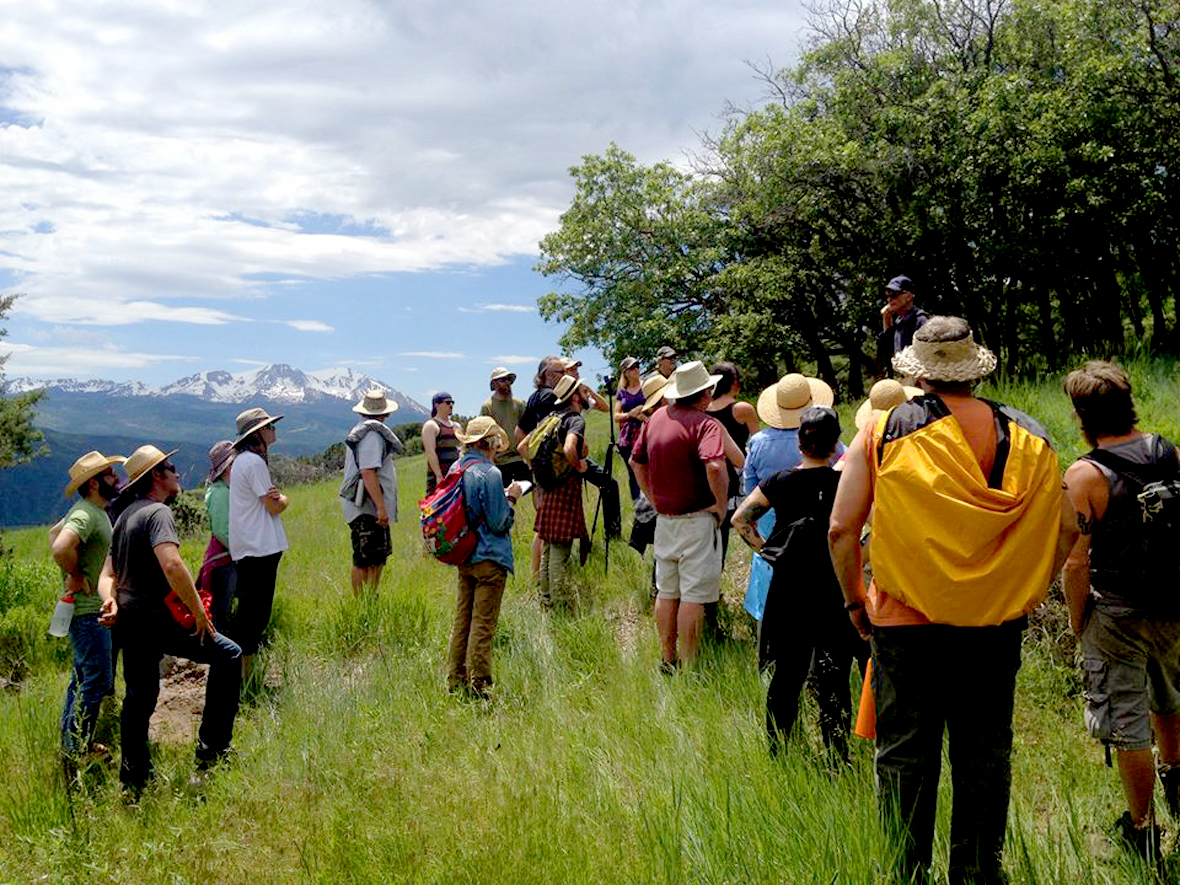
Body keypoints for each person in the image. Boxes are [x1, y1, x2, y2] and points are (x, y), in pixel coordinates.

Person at [828, 316, 1076, 885]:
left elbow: (842, 530)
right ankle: (977, 872)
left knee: (905, 756)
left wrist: (852, 603)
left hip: (905, 622)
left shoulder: (883, 431)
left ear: (920, 373)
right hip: (995, 623)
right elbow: (1067, 527)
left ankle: (905, 872)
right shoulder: (1032, 436)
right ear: (973, 369)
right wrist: (1028, 588)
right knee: (984, 755)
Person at [1061, 360, 1180, 861]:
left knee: (1127, 722)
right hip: (1173, 602)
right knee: (1169, 696)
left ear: (1081, 414)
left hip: (1117, 611)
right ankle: (1176, 781)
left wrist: (1075, 619)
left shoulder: (1085, 474)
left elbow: (1074, 562)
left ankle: (1141, 829)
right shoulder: (1166, 451)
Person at [96, 445, 243, 795]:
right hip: (159, 617)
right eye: (171, 467)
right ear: (157, 477)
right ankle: (212, 751)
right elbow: (173, 565)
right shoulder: (157, 512)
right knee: (229, 654)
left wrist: (109, 601)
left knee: (140, 696)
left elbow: (107, 574)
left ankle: (134, 779)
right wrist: (200, 613)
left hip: (130, 619)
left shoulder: (125, 515)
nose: (177, 473)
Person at [733, 407, 858, 759]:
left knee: (788, 673)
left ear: (801, 443)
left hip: (788, 588)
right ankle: (837, 753)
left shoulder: (779, 482)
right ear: (835, 446)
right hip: (833, 588)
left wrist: (768, 552)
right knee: (834, 674)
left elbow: (741, 519)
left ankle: (778, 748)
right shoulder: (842, 484)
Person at [630, 361, 728, 668]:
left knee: (667, 591)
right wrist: (720, 504)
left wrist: (653, 497)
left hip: (665, 519)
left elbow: (636, 462)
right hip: (698, 518)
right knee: (694, 596)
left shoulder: (657, 417)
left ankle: (668, 659)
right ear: (704, 393)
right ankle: (690, 663)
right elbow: (714, 465)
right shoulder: (705, 424)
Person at [742, 374, 839, 624]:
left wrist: (764, 549)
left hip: (776, 534)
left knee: (773, 593)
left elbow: (747, 492)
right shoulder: (833, 447)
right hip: (825, 541)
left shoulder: (759, 443)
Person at [51, 450, 125, 765]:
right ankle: (80, 750)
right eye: (110, 474)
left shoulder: (88, 510)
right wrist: (76, 574)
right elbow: (60, 545)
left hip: (84, 612)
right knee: (96, 680)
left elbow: (53, 531)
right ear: (94, 483)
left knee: (82, 678)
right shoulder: (87, 514)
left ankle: (72, 745)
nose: (117, 479)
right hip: (89, 613)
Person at [446, 416, 527, 698]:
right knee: (483, 623)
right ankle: (479, 685)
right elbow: (499, 522)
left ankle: (456, 679)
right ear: (488, 442)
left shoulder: (458, 467)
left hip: (465, 554)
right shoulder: (490, 473)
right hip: (490, 558)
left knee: (463, 619)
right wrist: (512, 497)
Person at [229, 407, 289, 685]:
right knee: (255, 616)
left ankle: (244, 675)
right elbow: (274, 506)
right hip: (260, 547)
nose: (274, 430)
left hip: (252, 546)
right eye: (270, 426)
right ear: (259, 433)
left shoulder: (243, 461)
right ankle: (244, 678)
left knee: (250, 613)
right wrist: (285, 499)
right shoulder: (254, 462)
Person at [534, 375, 591, 613]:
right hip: (564, 486)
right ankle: (560, 605)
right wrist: (580, 465)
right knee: (560, 548)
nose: (586, 393)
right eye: (582, 390)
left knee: (549, 547)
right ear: (575, 396)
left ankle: (546, 598)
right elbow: (569, 448)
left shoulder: (552, 417)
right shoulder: (575, 419)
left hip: (549, 485)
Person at [340, 388, 403, 595]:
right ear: (385, 412)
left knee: (374, 557)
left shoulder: (364, 430)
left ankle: (368, 601)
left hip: (366, 505)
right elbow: (368, 472)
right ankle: (364, 604)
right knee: (366, 559)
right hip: (367, 507)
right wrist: (381, 508)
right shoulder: (372, 435)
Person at [706, 361, 759, 559]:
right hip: (735, 473)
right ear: (734, 382)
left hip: (708, 470)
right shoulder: (742, 409)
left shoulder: (703, 408)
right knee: (724, 531)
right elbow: (757, 444)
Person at [200, 441, 236, 631]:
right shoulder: (221, 493)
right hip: (224, 560)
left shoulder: (223, 490)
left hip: (224, 558)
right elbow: (222, 530)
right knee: (221, 609)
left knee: (222, 607)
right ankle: (219, 653)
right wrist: (241, 551)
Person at [480, 367, 530, 486]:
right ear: (495, 383)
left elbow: (528, 428)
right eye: (503, 380)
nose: (507, 383)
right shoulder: (487, 406)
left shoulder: (519, 404)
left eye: (508, 379)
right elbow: (485, 434)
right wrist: (489, 458)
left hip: (519, 458)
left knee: (528, 487)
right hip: (499, 459)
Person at [876, 274, 929, 375]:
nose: (889, 300)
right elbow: (888, 348)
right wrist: (886, 317)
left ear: (908, 296)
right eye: (887, 295)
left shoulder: (921, 321)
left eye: (894, 295)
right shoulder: (899, 322)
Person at [614, 357, 646, 502]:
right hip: (628, 436)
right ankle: (637, 505)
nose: (636, 370)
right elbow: (616, 416)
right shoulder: (622, 392)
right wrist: (630, 414)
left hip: (646, 430)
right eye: (633, 368)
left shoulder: (646, 387)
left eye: (637, 366)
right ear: (626, 372)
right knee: (633, 473)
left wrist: (642, 413)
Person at [423, 392, 460, 494]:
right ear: (437, 405)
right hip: (439, 477)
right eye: (447, 402)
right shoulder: (431, 425)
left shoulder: (456, 426)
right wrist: (439, 476)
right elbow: (430, 452)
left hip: (457, 475)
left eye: (452, 402)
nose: (451, 405)